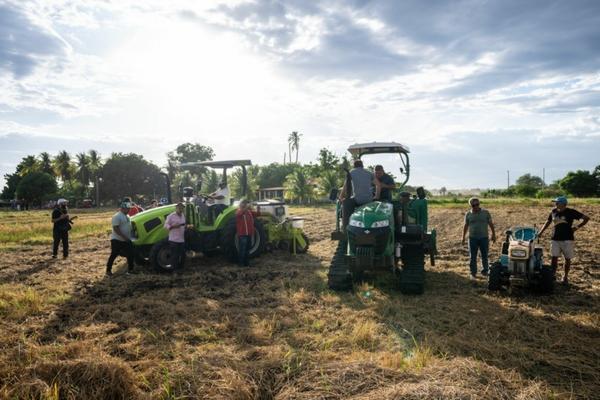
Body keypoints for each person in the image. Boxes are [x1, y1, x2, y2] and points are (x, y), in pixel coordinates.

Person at [538, 196, 589, 285]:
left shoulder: (571, 212)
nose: (555, 204)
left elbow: (586, 218)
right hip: (555, 238)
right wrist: (541, 232)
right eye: (555, 202)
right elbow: (548, 222)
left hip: (567, 239)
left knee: (567, 259)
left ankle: (565, 277)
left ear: (563, 204)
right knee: (554, 258)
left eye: (557, 202)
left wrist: (576, 228)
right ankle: (552, 275)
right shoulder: (553, 211)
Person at [462, 197, 496, 280]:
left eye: (477, 204)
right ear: (470, 205)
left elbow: (490, 224)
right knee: (472, 257)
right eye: (474, 205)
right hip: (472, 238)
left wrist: (493, 234)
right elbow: (465, 226)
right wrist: (463, 237)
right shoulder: (468, 214)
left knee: (484, 255)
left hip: (484, 238)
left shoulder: (485, 213)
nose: (476, 206)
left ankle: (485, 271)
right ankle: (473, 273)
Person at [340, 160, 374, 229]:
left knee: (346, 202)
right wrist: (377, 196)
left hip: (357, 200)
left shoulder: (351, 172)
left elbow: (346, 186)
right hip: (369, 200)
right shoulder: (369, 173)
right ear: (362, 166)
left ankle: (346, 227)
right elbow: (378, 185)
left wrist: (341, 197)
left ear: (354, 166)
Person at [106, 201, 135, 276]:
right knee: (114, 254)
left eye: (129, 209)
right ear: (123, 208)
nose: (129, 210)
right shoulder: (117, 216)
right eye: (127, 209)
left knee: (131, 254)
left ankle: (130, 270)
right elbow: (116, 228)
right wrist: (124, 237)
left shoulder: (127, 216)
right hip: (117, 240)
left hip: (126, 239)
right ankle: (108, 270)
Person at [164, 202, 187, 270]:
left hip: (181, 239)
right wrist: (172, 226)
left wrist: (187, 226)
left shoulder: (183, 215)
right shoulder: (171, 216)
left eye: (182, 208)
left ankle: (181, 268)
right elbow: (165, 225)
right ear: (176, 208)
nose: (181, 209)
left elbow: (183, 225)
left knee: (183, 255)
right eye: (179, 208)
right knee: (175, 256)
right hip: (174, 240)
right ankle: (175, 270)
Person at [236, 199, 254, 267]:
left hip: (248, 234)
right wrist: (246, 208)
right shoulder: (239, 211)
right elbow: (240, 213)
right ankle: (241, 264)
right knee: (242, 250)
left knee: (247, 249)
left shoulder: (248, 212)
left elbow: (256, 214)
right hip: (243, 234)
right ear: (241, 204)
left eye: (246, 203)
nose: (245, 205)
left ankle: (247, 263)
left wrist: (257, 207)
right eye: (244, 203)